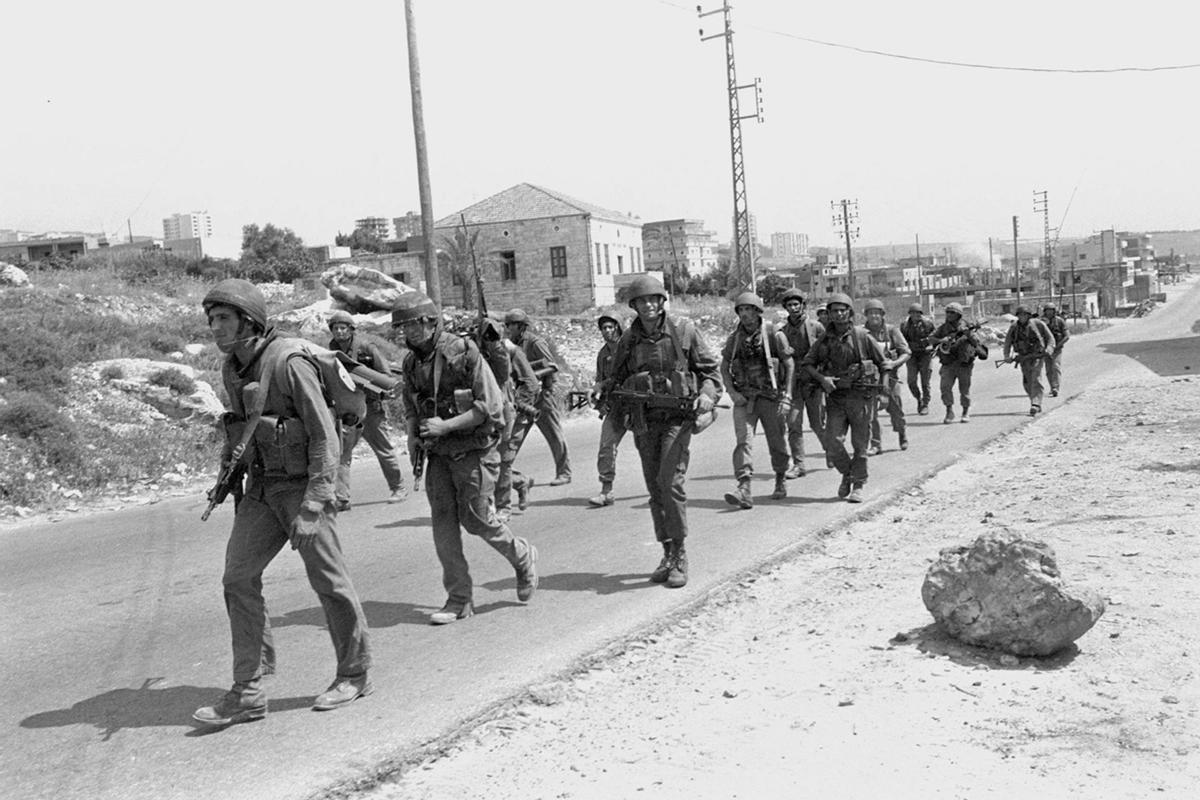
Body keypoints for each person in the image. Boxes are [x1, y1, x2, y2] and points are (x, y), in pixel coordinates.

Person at [193, 279, 372, 727]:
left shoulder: (290, 362)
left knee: (329, 581)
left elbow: (323, 436)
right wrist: (228, 477)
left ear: (249, 321)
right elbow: (240, 428)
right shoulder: (233, 368)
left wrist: (315, 503)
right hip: (261, 488)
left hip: (302, 487)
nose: (215, 328)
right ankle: (248, 690)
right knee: (237, 577)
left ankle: (354, 672)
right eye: (212, 320)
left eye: (224, 319)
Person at [395, 292, 538, 624]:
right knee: (443, 524)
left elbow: (489, 406)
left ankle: (521, 557)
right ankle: (459, 599)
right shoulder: (411, 362)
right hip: (438, 454)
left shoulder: (462, 351)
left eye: (415, 324)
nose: (410, 332)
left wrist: (445, 426)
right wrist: (412, 436)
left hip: (474, 450)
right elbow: (412, 407)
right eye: (404, 327)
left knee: (477, 520)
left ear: (431, 322)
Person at [606, 274, 721, 588]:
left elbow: (710, 372)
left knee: (670, 484)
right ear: (634, 306)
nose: (649, 306)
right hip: (644, 422)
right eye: (642, 301)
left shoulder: (684, 332)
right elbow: (614, 380)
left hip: (677, 419)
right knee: (654, 489)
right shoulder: (628, 340)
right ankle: (667, 552)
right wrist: (607, 396)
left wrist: (707, 396)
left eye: (654, 299)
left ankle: (681, 554)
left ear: (662, 302)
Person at [800, 293, 887, 504]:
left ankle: (858, 484)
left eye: (842, 310)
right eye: (834, 311)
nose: (839, 314)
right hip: (836, 398)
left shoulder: (862, 336)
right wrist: (823, 378)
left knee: (860, 445)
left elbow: (884, 364)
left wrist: (884, 392)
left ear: (849, 312)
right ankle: (847, 473)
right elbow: (808, 364)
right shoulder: (824, 340)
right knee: (833, 444)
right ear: (828, 314)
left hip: (860, 397)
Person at [326, 310, 407, 511]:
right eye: (336, 328)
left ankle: (398, 488)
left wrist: (375, 390)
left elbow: (386, 376)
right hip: (348, 410)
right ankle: (342, 498)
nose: (339, 331)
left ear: (351, 329)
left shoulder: (365, 348)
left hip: (371, 408)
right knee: (342, 454)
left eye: (343, 327)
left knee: (383, 449)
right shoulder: (332, 350)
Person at [720, 292, 794, 507]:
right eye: (741, 310)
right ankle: (744, 488)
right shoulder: (734, 340)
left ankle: (780, 477)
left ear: (757, 311)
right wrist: (732, 392)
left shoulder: (773, 334)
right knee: (743, 442)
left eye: (749, 310)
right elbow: (724, 367)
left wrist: (787, 396)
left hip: (771, 397)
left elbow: (789, 365)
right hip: (745, 399)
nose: (745, 314)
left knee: (777, 441)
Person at [505, 309, 572, 485]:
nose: (508, 329)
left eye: (511, 325)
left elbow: (552, 367)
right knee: (515, 437)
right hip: (524, 397)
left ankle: (564, 473)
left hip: (543, 394)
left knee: (554, 435)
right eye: (507, 325)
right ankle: (504, 472)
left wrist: (531, 374)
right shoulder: (511, 344)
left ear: (521, 326)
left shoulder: (535, 342)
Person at [487, 320, 539, 522]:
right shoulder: (477, 354)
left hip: (509, 412)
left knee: (504, 459)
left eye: (492, 335)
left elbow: (531, 383)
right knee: (489, 459)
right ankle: (521, 482)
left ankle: (503, 507)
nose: (488, 340)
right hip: (487, 412)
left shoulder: (511, 351)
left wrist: (519, 405)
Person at [779, 288, 825, 478]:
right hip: (794, 384)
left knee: (817, 424)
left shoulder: (816, 327)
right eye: (789, 305)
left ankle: (830, 449)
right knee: (793, 424)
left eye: (796, 304)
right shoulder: (782, 332)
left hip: (813, 383)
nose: (793, 308)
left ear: (802, 305)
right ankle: (799, 464)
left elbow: (827, 354)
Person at [587, 313, 628, 507]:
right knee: (606, 446)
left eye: (611, 327)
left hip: (637, 403)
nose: (607, 331)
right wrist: (599, 394)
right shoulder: (603, 354)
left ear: (618, 327)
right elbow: (600, 379)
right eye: (604, 328)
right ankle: (606, 491)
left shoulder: (630, 347)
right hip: (616, 406)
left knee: (655, 446)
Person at [862, 299, 911, 454]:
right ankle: (876, 444)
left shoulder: (891, 331)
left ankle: (902, 433)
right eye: (870, 313)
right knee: (870, 414)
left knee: (896, 410)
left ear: (882, 314)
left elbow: (907, 352)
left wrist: (894, 363)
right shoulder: (862, 333)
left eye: (877, 313)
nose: (874, 316)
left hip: (890, 378)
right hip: (870, 379)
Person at [928, 302, 987, 424]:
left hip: (964, 363)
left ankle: (965, 411)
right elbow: (931, 339)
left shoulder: (967, 327)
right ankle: (949, 410)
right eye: (948, 312)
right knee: (945, 387)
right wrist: (941, 340)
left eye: (952, 313)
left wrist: (969, 335)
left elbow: (977, 344)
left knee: (964, 389)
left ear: (958, 315)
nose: (949, 315)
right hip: (948, 363)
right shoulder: (943, 328)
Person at [1002, 304, 1056, 417]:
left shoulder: (1038, 324)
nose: (1022, 317)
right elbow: (1007, 342)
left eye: (1024, 315)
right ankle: (1035, 401)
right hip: (1023, 357)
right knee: (1027, 382)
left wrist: (1049, 349)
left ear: (1028, 315)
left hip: (1037, 356)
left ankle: (1035, 404)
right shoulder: (1014, 327)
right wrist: (1006, 355)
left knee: (1036, 378)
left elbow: (1050, 338)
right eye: (1020, 315)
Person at [899, 302, 936, 414]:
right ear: (910, 314)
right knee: (911, 381)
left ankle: (925, 403)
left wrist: (931, 345)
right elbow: (900, 340)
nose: (916, 316)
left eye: (918, 313)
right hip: (912, 355)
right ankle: (919, 399)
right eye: (914, 313)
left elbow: (936, 337)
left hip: (925, 354)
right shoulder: (904, 326)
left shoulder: (928, 324)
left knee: (925, 382)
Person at [1041, 302, 1070, 397]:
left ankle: (1056, 388)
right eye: (1047, 310)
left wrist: (1057, 345)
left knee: (1056, 366)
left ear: (1054, 311)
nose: (1049, 313)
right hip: (1046, 349)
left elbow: (1067, 336)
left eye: (1051, 310)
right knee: (1049, 369)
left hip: (1057, 349)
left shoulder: (1060, 321)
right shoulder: (1041, 322)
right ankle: (1052, 387)